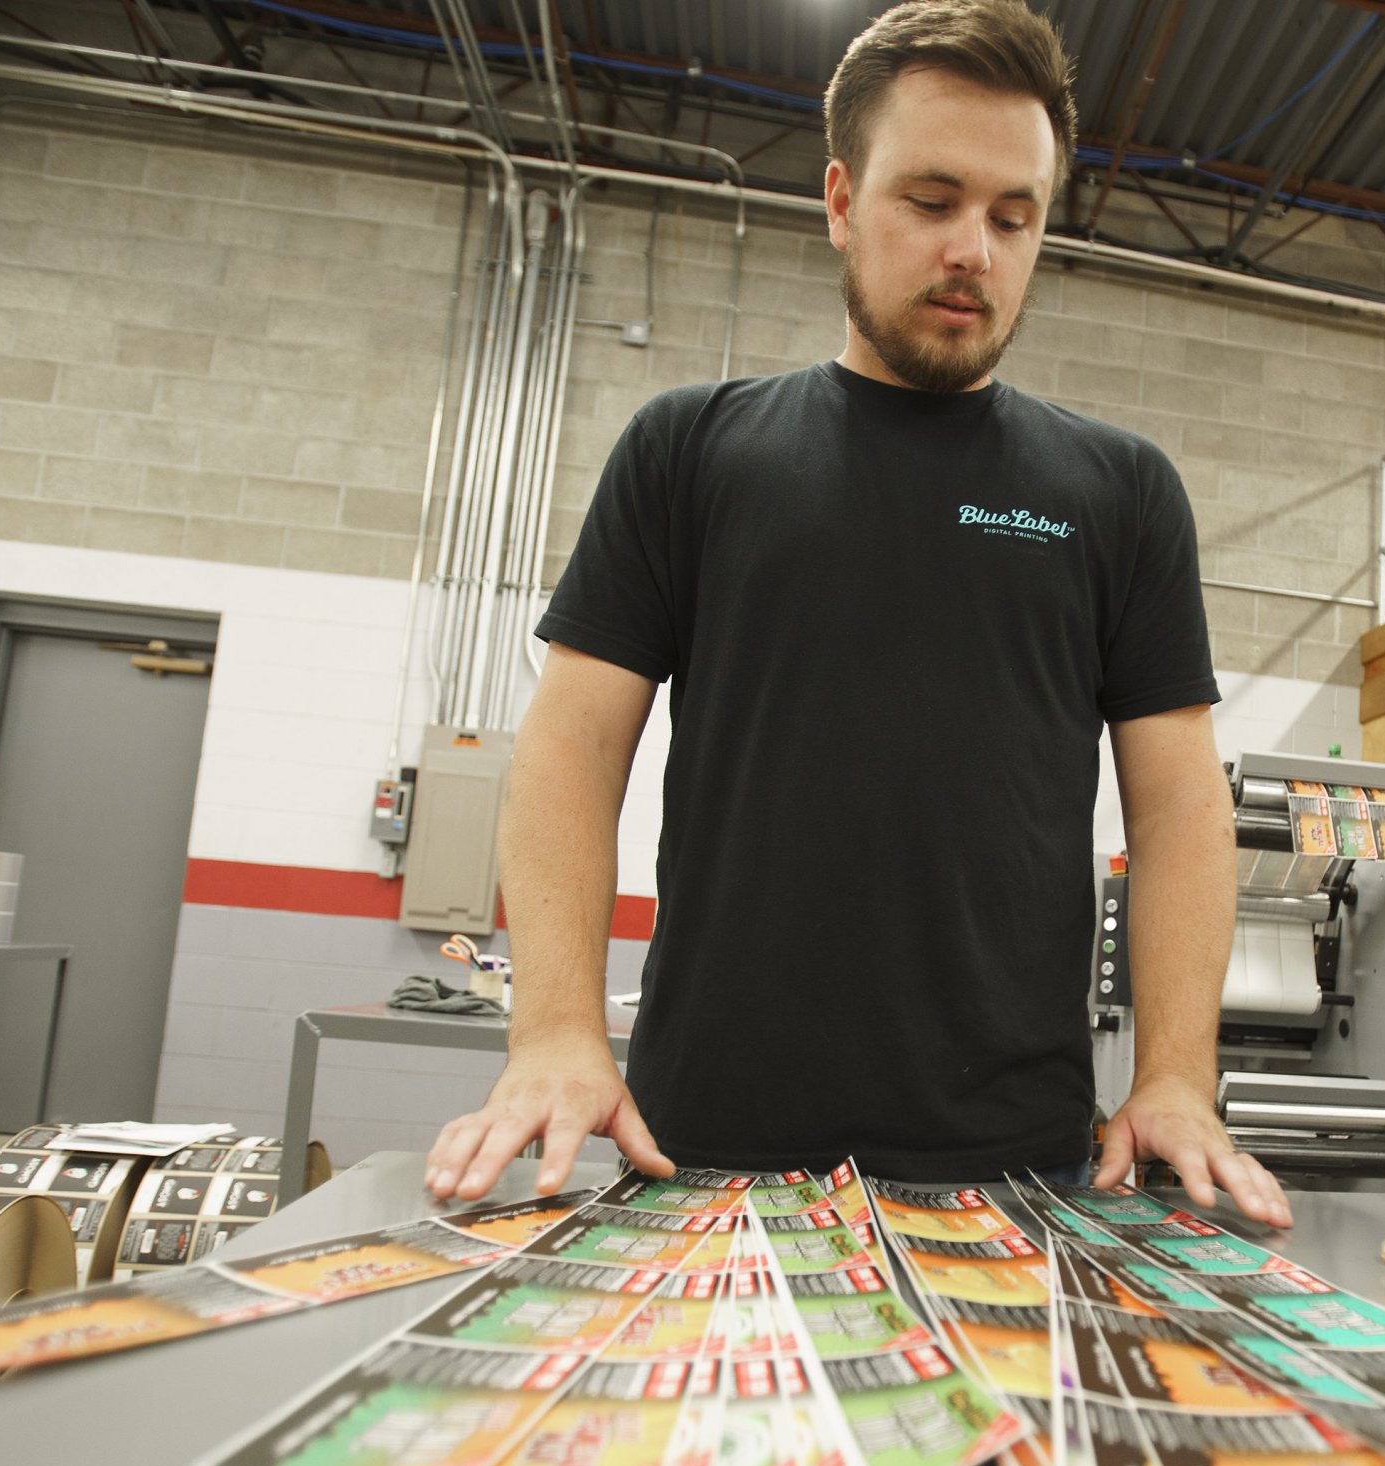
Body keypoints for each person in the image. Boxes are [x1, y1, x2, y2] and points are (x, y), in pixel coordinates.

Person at [422, 0, 1290, 1231]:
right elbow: (569, 746)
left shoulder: (1119, 492)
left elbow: (1181, 805)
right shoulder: (692, 451)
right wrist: (555, 1030)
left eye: (1012, 215)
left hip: (1014, 1172)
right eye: (930, 201)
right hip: (704, 1149)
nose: (972, 251)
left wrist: (1176, 1080)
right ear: (839, 200)